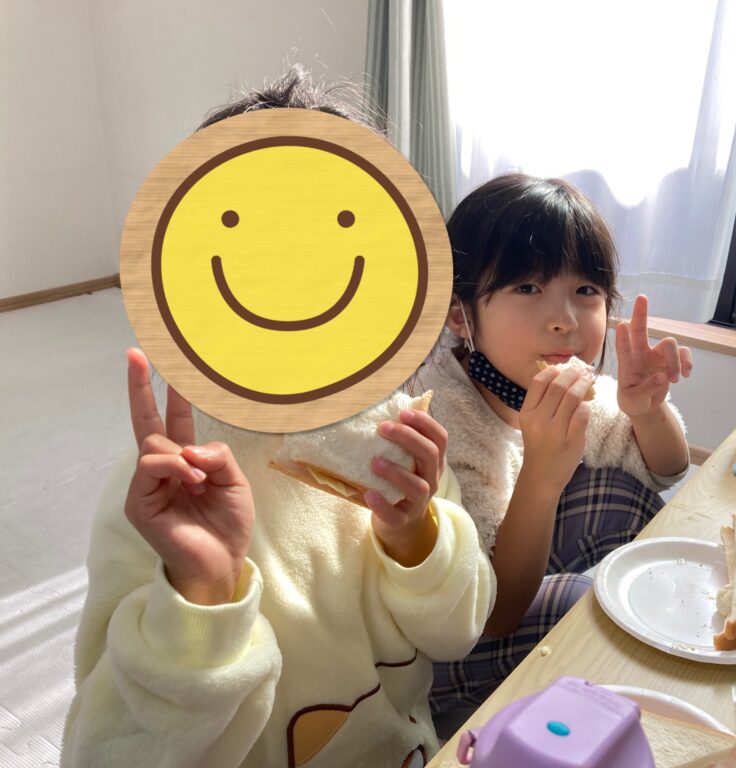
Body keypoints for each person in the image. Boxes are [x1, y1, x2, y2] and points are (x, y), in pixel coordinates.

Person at [62, 67, 495, 768]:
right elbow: (105, 753)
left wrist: (416, 537)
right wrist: (201, 595)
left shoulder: (399, 445)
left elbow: (457, 632)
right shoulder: (160, 496)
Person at [414, 173, 692, 716]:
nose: (565, 320)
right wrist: (542, 476)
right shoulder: (440, 416)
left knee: (625, 493)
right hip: (440, 655)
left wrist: (647, 411)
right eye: (527, 288)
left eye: (585, 291)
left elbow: (668, 470)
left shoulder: (552, 381)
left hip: (504, 580)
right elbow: (492, 615)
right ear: (459, 314)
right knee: (581, 604)